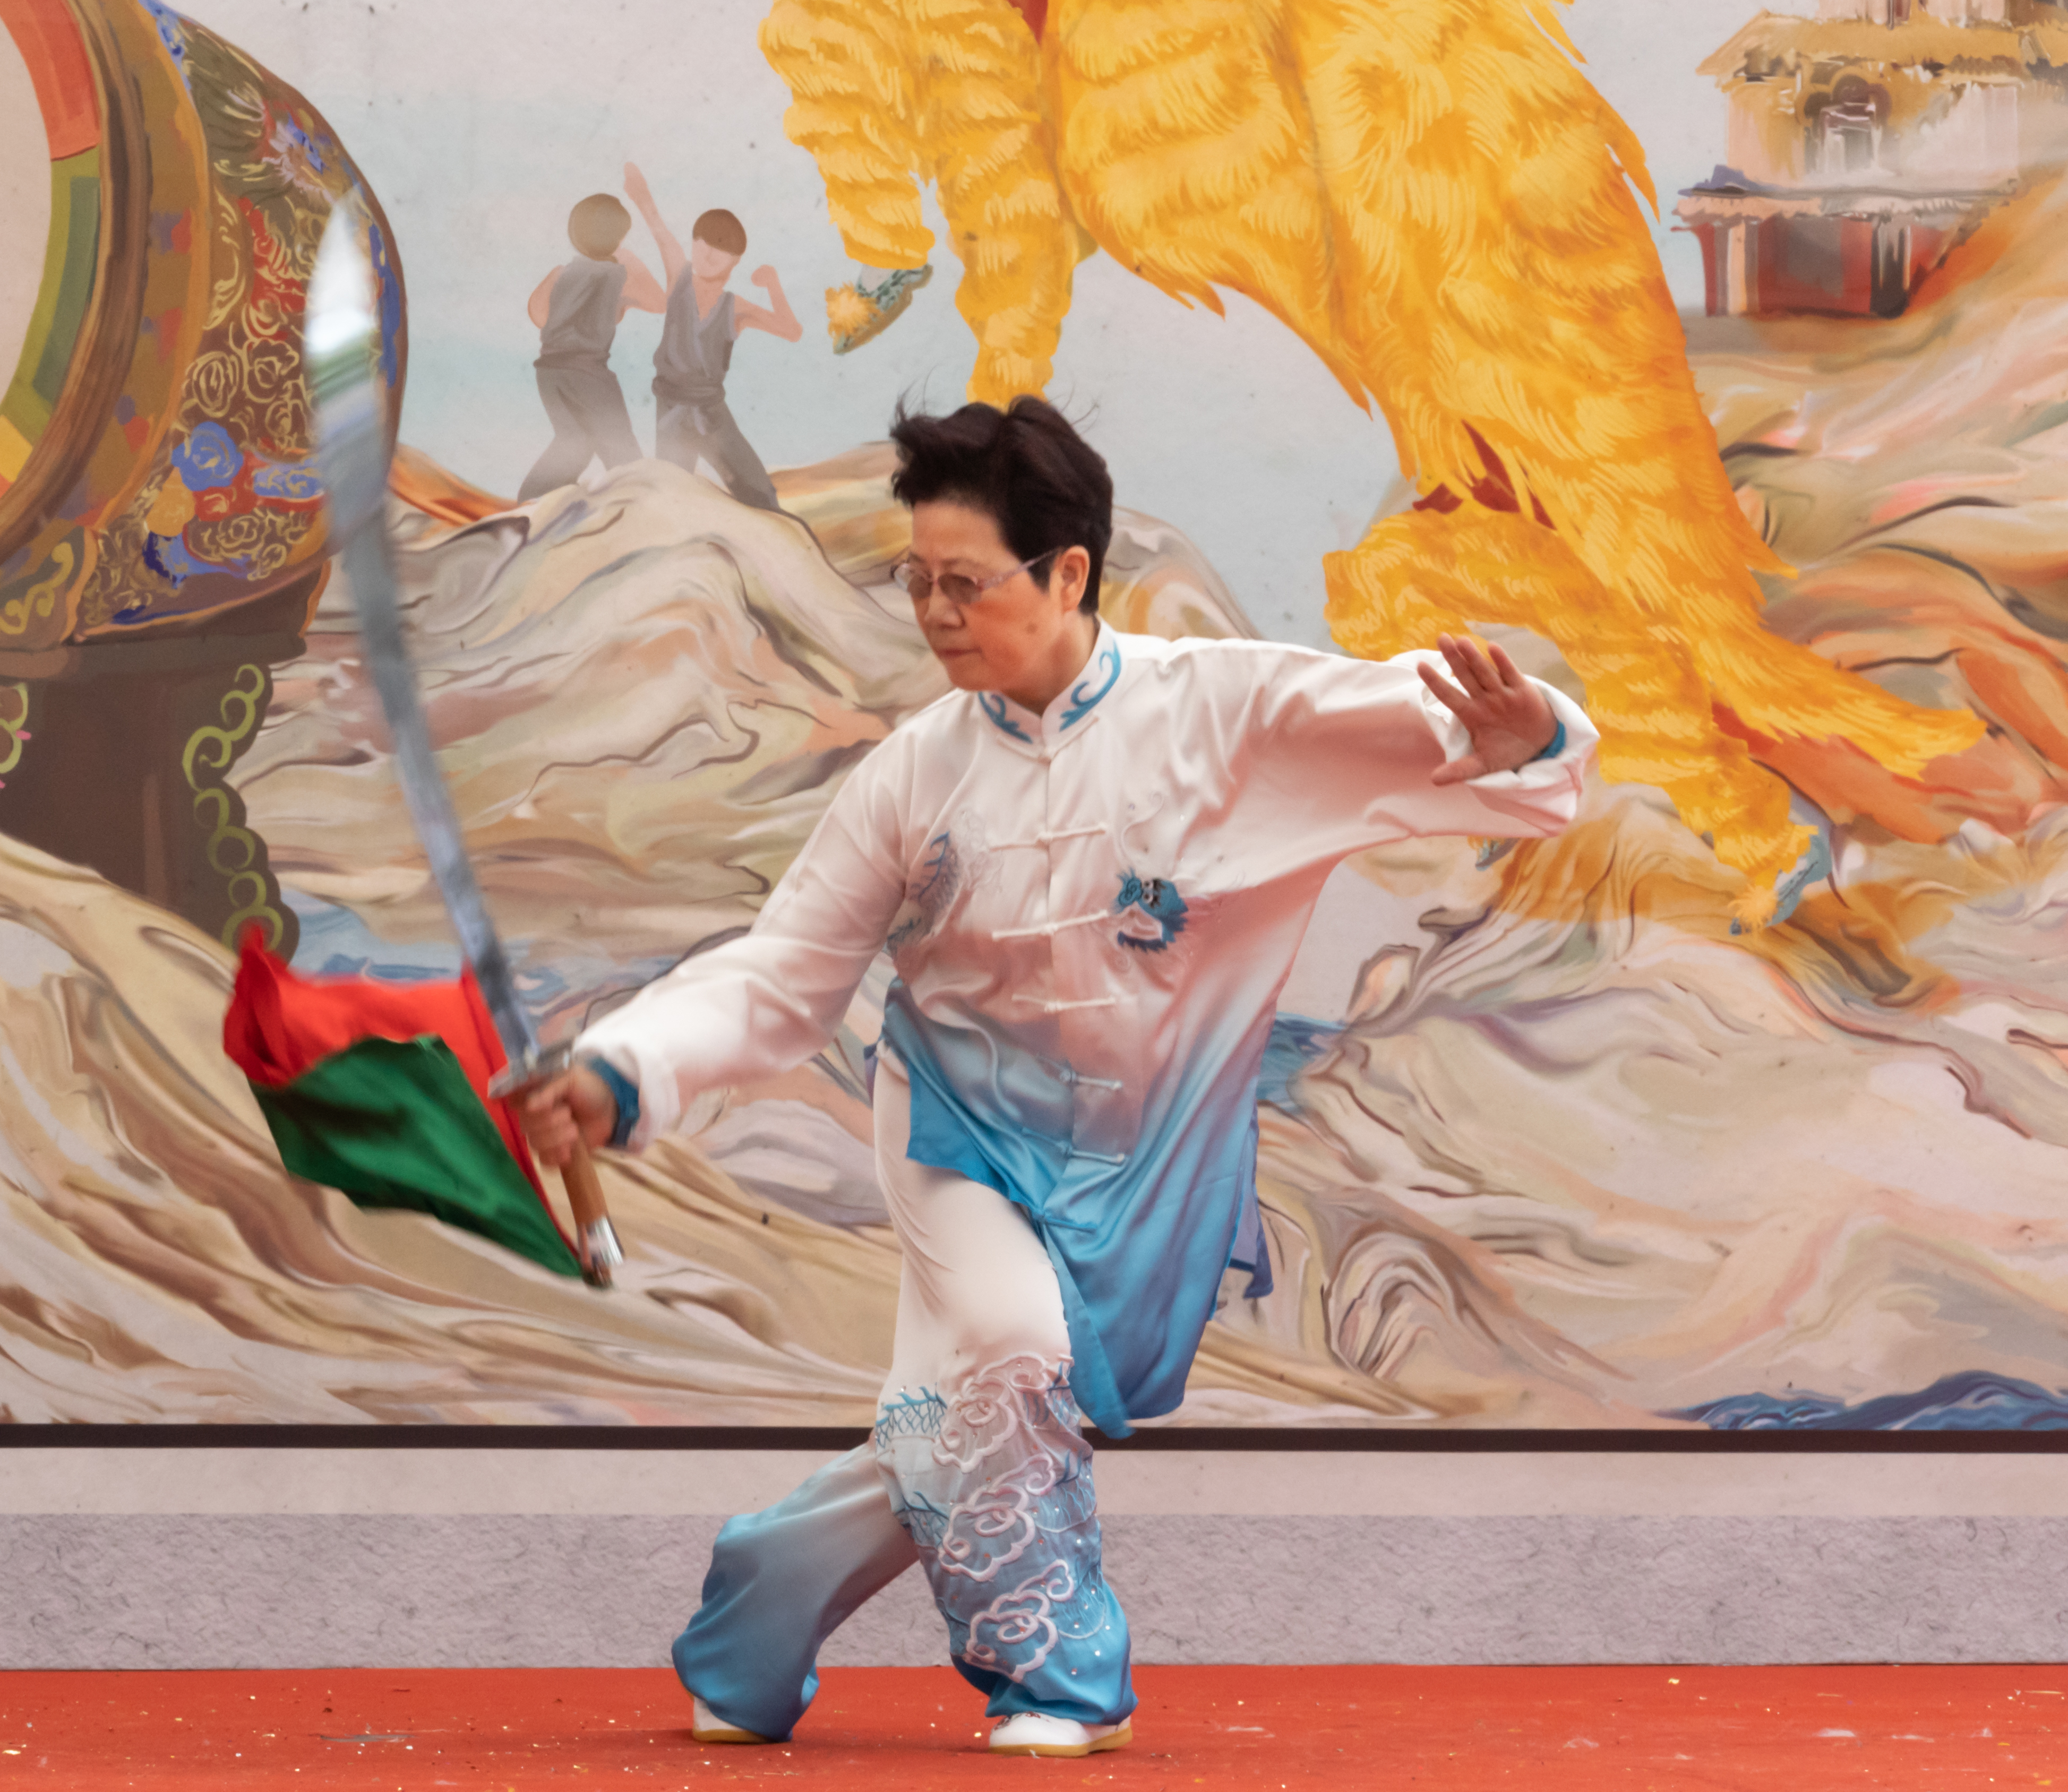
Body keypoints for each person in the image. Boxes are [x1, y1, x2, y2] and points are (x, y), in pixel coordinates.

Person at [521, 397, 1598, 1759]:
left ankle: (757, 1604)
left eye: (963, 582)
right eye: (914, 580)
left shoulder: (1224, 713)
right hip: (959, 1136)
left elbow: (1441, 727)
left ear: (1068, 572)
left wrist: (1526, 737)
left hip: (1152, 1153)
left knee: (978, 1410)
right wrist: (624, 1071)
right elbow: (781, 974)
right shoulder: (911, 777)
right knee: (1017, 1359)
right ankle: (1055, 1673)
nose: (932, 612)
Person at [623, 163, 801, 513]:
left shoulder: (735, 308)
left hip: (713, 414)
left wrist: (774, 284)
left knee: (762, 497)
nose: (706, 252)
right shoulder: (679, 279)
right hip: (671, 410)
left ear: (734, 260)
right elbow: (659, 231)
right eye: (701, 241)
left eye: (718, 248)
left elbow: (790, 331)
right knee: (672, 502)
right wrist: (641, 195)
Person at [517, 192, 667, 503]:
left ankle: (530, 503)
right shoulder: (618, 276)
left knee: (574, 442)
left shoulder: (560, 274)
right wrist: (629, 261)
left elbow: (538, 314)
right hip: (588, 375)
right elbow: (659, 302)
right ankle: (642, 512)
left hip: (550, 373)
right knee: (622, 453)